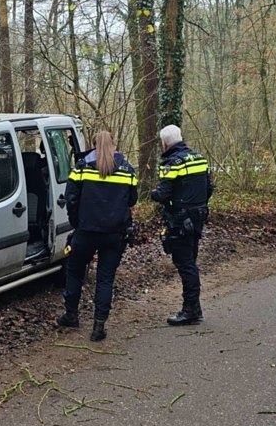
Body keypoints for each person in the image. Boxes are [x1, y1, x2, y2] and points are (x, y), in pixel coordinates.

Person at [56, 131, 138, 342]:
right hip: (115, 234)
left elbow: (70, 199)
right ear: (115, 144)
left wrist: (77, 224)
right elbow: (132, 201)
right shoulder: (127, 170)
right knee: (105, 279)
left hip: (86, 232)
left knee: (74, 272)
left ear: (93, 145)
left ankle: (71, 315)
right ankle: (98, 326)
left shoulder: (81, 168)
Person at [151, 125, 214, 326]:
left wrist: (152, 193)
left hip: (179, 220)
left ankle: (190, 311)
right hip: (197, 217)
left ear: (165, 143)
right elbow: (209, 187)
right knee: (190, 260)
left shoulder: (172, 163)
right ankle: (194, 307)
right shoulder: (199, 158)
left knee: (185, 263)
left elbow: (163, 194)